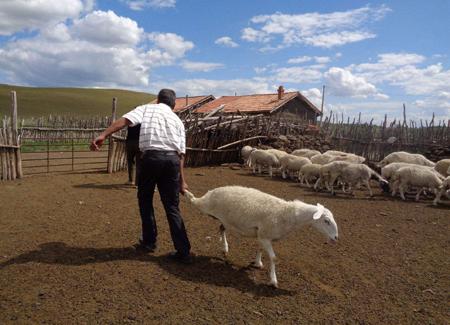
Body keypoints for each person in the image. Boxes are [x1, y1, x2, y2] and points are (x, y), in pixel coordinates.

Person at [90, 89, 192, 264]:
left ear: (158, 100)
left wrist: (103, 135)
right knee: (172, 206)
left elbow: (124, 121)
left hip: (151, 158)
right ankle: (183, 250)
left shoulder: (146, 108)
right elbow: (181, 154)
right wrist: (182, 181)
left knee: (145, 200)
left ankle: (149, 242)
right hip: (172, 162)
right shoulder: (177, 121)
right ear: (173, 105)